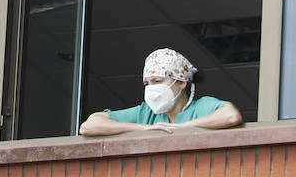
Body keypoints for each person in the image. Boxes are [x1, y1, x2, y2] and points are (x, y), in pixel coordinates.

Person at [78, 47, 244, 137]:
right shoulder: (145, 113)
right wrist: (142, 128)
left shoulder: (201, 107)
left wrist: (182, 127)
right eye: (147, 83)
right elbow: (89, 126)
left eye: (157, 81)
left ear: (181, 82)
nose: (151, 88)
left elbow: (230, 116)